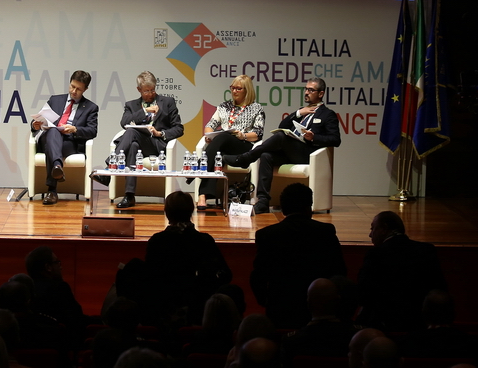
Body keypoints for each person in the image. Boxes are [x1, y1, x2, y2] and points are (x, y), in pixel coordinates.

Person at [226, 77, 340, 214]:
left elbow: (335, 139)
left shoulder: (328, 114)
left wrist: (314, 137)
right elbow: (282, 126)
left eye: (311, 90)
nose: (306, 92)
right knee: (266, 155)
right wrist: (298, 113)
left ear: (320, 94)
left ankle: (246, 158)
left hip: (309, 154)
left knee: (280, 137)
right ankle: (263, 201)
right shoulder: (302, 112)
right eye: (306, 89)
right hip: (292, 153)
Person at [250, 184, 346, 329]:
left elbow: (259, 275)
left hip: (280, 308)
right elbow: (339, 271)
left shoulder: (267, 235)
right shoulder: (325, 231)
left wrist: (267, 301)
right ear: (309, 206)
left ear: (282, 208)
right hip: (318, 310)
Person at [356, 210, 448, 332]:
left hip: (385, 326)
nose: (370, 234)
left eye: (373, 229)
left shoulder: (376, 254)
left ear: (384, 229)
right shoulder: (426, 250)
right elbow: (439, 287)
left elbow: (364, 293)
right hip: (420, 324)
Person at [145, 192, 231, 320]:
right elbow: (226, 275)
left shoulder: (157, 241)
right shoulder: (204, 241)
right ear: (191, 211)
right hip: (199, 308)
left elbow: (149, 278)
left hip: (163, 309)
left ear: (167, 212)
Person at [111, 70, 183, 210]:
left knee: (132, 131)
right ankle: (129, 196)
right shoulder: (131, 105)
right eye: (146, 91)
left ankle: (111, 163)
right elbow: (124, 122)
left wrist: (159, 133)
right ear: (139, 90)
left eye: (152, 90)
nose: (150, 94)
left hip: (157, 145)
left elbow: (179, 128)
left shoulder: (168, 102)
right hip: (139, 145)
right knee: (132, 144)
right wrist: (145, 111)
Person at [31, 70, 99, 206]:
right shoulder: (55, 100)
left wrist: (75, 129)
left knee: (56, 135)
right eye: (72, 86)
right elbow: (40, 118)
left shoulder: (91, 107)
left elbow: (92, 131)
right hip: (49, 139)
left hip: (70, 142)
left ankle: (52, 190)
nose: (74, 91)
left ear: (85, 89)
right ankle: (57, 167)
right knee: (53, 131)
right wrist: (35, 125)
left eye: (78, 89)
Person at [198, 74, 264, 211]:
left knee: (223, 137)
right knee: (218, 154)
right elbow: (210, 125)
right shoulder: (224, 106)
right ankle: (203, 195)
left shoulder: (256, 108)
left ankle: (198, 167)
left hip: (243, 145)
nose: (234, 91)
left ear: (247, 90)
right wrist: (209, 135)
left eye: (238, 88)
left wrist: (243, 135)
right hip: (222, 145)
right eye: (232, 88)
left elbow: (258, 133)